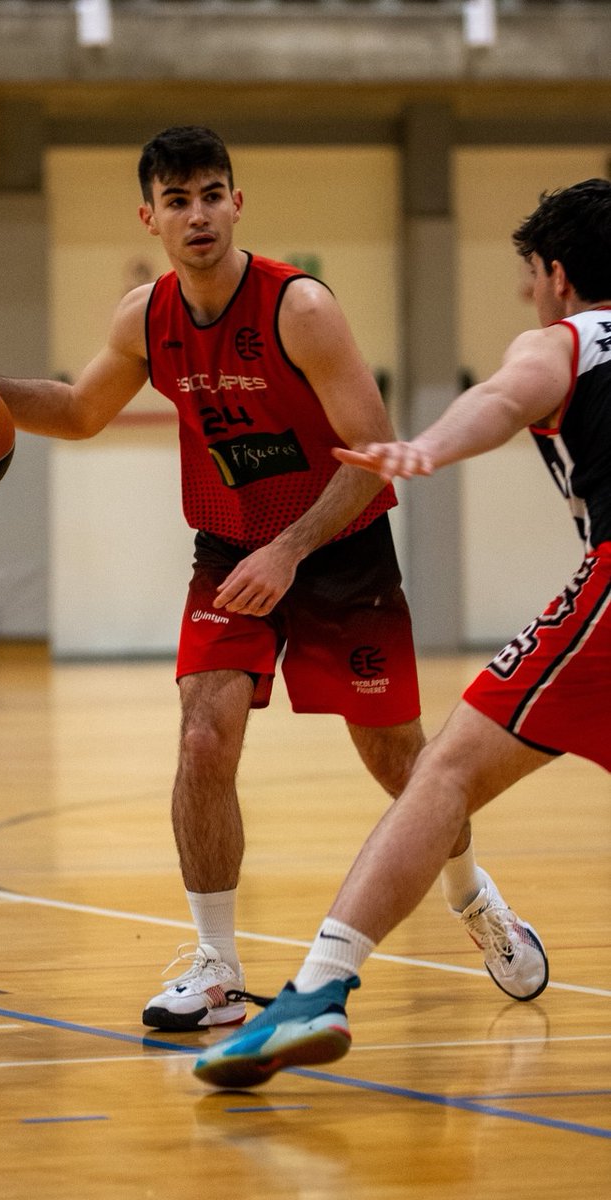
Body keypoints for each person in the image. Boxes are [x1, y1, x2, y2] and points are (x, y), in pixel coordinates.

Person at [0, 125, 544, 1031]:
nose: (197, 214)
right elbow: (79, 412)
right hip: (230, 548)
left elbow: (372, 455)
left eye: (211, 194)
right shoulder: (143, 318)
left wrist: (292, 552)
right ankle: (218, 967)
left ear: (237, 203)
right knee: (204, 736)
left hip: (338, 548)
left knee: (401, 763)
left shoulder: (300, 309)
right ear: (149, 216)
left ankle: (474, 899)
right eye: (178, 199)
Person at [193, 176, 611, 1089]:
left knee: (444, 773)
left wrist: (428, 447)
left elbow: (506, 396)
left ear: (557, 273)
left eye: (530, 276)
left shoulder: (568, 338)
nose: (528, 293)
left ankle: (316, 991)